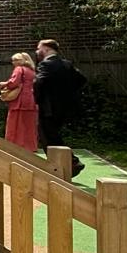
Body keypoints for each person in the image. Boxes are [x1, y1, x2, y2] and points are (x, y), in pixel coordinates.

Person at [33, 37, 87, 176]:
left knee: (48, 138)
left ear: (46, 49)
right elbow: (81, 79)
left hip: (49, 108)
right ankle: (65, 164)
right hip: (64, 108)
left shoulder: (46, 64)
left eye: (39, 48)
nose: (37, 51)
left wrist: (37, 99)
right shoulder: (66, 64)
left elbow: (39, 83)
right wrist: (66, 95)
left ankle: (71, 163)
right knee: (53, 136)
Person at [0, 51, 40, 152]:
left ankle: (13, 146)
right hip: (31, 100)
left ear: (23, 61)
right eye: (13, 60)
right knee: (29, 125)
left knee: (15, 124)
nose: (13, 62)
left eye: (16, 60)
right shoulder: (32, 71)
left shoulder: (19, 69)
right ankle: (31, 146)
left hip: (20, 100)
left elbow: (13, 83)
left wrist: (3, 84)